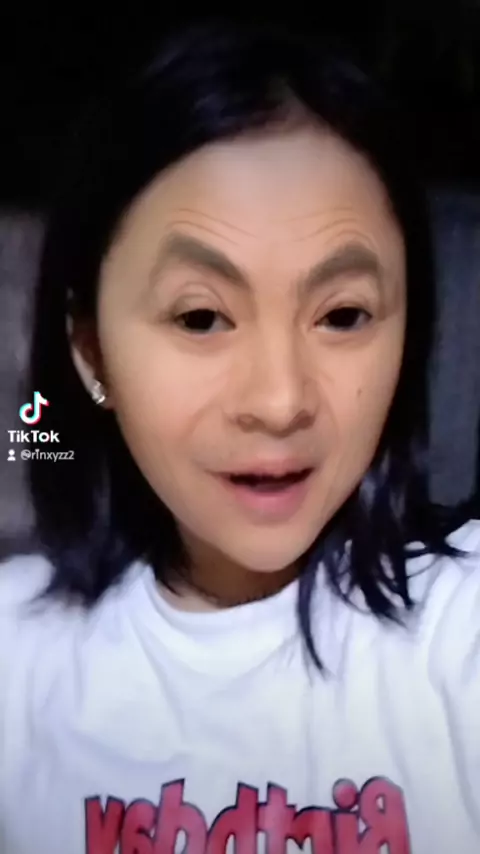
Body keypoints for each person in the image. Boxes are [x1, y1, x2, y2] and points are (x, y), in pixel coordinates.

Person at [1, 17, 479, 854]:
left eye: (343, 315)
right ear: (90, 350)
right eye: (201, 317)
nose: (280, 401)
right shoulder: (17, 657)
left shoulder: (459, 626)